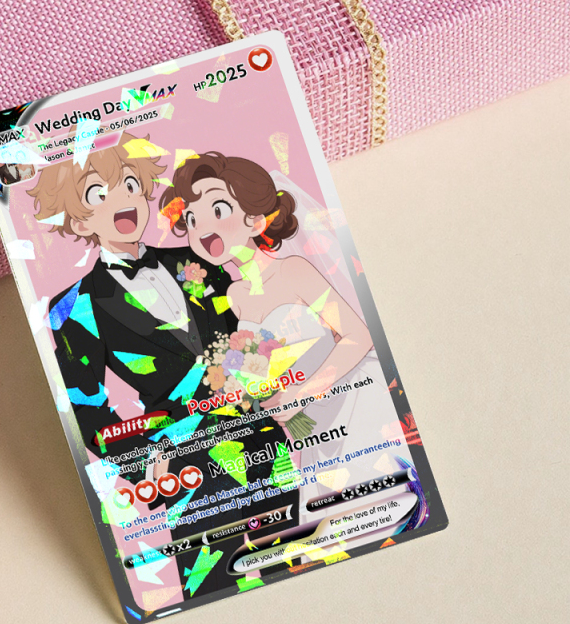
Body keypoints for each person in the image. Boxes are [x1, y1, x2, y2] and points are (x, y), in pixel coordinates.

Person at [30, 134, 297, 600]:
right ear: (78, 218)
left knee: (293, 566)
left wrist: (264, 387)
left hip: (260, 442)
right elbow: (86, 407)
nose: (122, 200)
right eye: (98, 193)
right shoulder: (72, 307)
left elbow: (244, 336)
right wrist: (143, 464)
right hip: (183, 467)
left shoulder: (199, 259)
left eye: (130, 184)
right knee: (214, 588)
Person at [161, 151, 408, 524]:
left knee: (381, 504)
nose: (203, 228)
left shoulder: (294, 271)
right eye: (192, 219)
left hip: (354, 402)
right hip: (311, 428)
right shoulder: (234, 296)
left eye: (218, 209)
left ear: (256, 220)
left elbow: (358, 335)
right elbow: (258, 365)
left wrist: (301, 393)